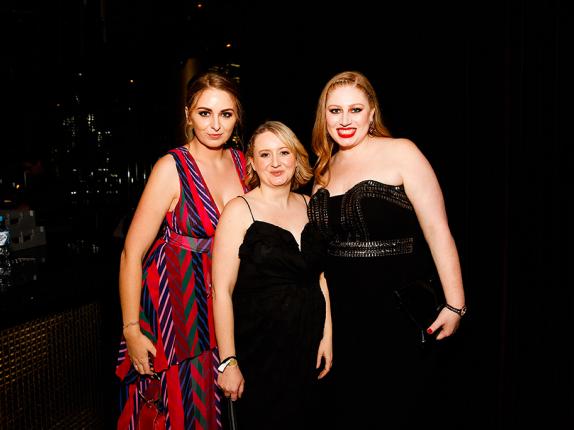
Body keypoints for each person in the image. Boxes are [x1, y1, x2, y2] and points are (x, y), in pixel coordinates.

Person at [307, 70, 467, 428]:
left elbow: (437, 230)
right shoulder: (322, 170)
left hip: (397, 314)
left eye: (355, 109)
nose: (345, 120)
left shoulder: (402, 152)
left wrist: (455, 304)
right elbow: (320, 260)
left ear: (371, 112)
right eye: (335, 111)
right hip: (344, 320)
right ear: (324, 117)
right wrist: (324, 329)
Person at [115, 71, 249, 430]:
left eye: (226, 114)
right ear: (188, 114)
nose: (215, 125)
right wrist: (131, 329)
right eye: (205, 113)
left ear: (237, 117)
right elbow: (131, 253)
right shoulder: (171, 167)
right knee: (183, 406)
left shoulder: (245, 164)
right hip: (179, 310)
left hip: (230, 302)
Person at [211, 120, 333, 430]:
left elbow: (321, 278)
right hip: (260, 348)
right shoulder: (239, 210)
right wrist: (228, 361)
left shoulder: (310, 205)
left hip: (309, 344)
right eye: (265, 155)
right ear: (252, 162)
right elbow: (221, 290)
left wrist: (327, 336)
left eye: (284, 152)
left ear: (297, 157)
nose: (275, 163)